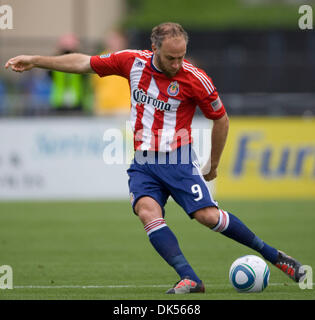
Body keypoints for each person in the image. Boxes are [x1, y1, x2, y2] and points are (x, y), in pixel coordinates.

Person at [5, 22, 306, 294]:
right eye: (171, 58)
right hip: (144, 162)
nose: (177, 64)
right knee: (148, 212)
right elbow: (84, 62)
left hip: (177, 159)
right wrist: (35, 60)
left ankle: (275, 257)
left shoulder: (195, 79)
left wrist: (213, 164)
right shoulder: (131, 62)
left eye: (181, 56)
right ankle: (189, 278)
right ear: (154, 49)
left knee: (207, 216)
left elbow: (222, 119)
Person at [91, 29, 130, 116]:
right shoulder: (98, 60)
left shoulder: (129, 58)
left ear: (123, 40)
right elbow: (96, 86)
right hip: (104, 109)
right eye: (110, 39)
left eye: (115, 39)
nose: (113, 42)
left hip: (124, 109)